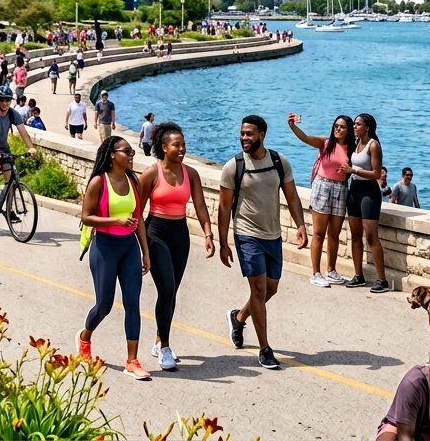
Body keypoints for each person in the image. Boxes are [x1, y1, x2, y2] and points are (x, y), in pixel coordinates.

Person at [219, 114, 308, 370]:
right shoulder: (233, 167)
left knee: (271, 289)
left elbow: (292, 197)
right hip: (247, 235)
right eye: (242, 133)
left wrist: (301, 225)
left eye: (249, 134)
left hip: (273, 235)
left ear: (262, 135)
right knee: (258, 291)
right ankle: (264, 349)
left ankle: (238, 317)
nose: (244, 138)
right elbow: (224, 208)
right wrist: (224, 242)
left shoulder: (279, 162)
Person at [139, 121, 214, 372]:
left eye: (183, 144)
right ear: (163, 146)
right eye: (176, 145)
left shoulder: (190, 173)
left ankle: (159, 338)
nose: (182, 149)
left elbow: (201, 205)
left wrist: (208, 233)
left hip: (180, 234)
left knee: (171, 293)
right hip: (156, 232)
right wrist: (140, 247)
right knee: (167, 289)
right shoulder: (151, 173)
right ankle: (165, 348)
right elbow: (137, 212)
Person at [77, 135, 152, 380]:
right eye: (126, 151)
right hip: (105, 247)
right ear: (112, 154)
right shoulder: (99, 182)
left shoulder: (133, 180)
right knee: (104, 305)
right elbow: (86, 217)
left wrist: (145, 252)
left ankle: (132, 360)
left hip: (129, 247)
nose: (131, 155)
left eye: (132, 152)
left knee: (133, 303)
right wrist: (114, 220)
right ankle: (85, 338)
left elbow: (138, 217)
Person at [287, 112, 354, 287]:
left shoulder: (352, 147)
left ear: (349, 130)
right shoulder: (325, 143)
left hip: (341, 189)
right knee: (319, 233)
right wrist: (293, 126)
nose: (338, 129)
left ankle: (331, 270)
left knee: (334, 234)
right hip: (323, 187)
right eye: (336, 126)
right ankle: (315, 273)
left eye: (342, 127)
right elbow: (305, 138)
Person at [343, 113, 390, 292]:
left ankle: (382, 280)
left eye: (357, 124)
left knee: (371, 236)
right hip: (354, 189)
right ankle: (358, 275)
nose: (354, 127)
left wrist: (353, 169)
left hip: (369, 192)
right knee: (355, 235)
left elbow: (377, 174)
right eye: (354, 124)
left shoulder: (373, 145)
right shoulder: (356, 144)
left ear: (367, 127)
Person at [0, 85, 38, 206]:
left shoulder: (13, 114)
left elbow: (23, 133)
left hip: (3, 148)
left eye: (7, 100)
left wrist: (31, 147)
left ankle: (9, 211)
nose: (4, 103)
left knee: (10, 181)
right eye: (1, 100)